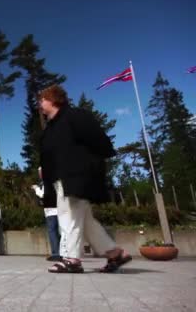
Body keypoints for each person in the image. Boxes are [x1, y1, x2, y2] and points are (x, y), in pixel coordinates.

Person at [39, 85, 132, 273]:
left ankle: (71, 259)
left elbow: (98, 142)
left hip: (76, 177)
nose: (40, 104)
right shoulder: (51, 127)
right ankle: (116, 254)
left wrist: (90, 167)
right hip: (60, 179)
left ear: (54, 100)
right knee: (86, 222)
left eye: (42, 99)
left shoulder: (74, 116)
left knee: (69, 216)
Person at [32, 167, 61, 262]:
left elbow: (44, 195)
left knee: (52, 232)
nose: (40, 175)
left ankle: (56, 253)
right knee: (58, 232)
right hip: (59, 210)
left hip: (51, 211)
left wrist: (36, 189)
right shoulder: (55, 181)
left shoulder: (46, 182)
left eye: (40, 172)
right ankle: (62, 253)